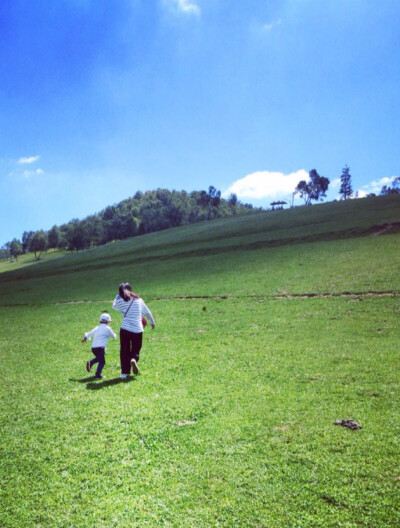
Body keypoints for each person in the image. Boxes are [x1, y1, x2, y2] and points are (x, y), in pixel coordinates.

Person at [112, 282, 155, 379]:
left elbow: (113, 305)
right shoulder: (138, 300)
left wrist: (117, 296)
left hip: (125, 329)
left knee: (124, 350)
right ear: (131, 290)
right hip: (137, 329)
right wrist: (152, 322)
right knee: (136, 348)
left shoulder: (120, 301)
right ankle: (133, 359)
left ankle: (124, 373)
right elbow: (147, 312)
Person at [81, 312, 116, 379]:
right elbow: (113, 336)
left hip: (93, 348)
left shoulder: (97, 327)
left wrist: (85, 338)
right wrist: (115, 335)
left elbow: (89, 333)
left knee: (99, 359)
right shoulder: (108, 328)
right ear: (107, 321)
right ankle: (97, 375)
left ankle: (90, 363)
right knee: (102, 361)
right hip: (100, 348)